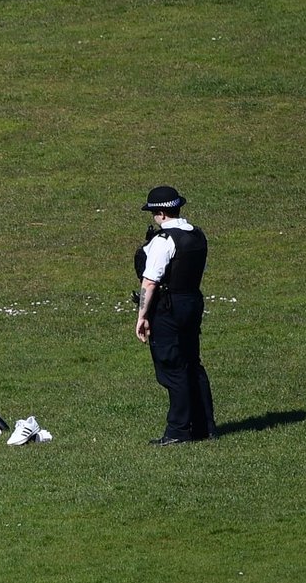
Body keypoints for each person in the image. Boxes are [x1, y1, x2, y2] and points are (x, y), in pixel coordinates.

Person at [134, 185, 217, 446]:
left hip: (168, 308)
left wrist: (141, 316)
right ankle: (204, 426)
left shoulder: (163, 241)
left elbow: (150, 282)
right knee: (193, 363)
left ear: (160, 212)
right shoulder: (197, 235)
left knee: (172, 367)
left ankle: (178, 430)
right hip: (192, 301)